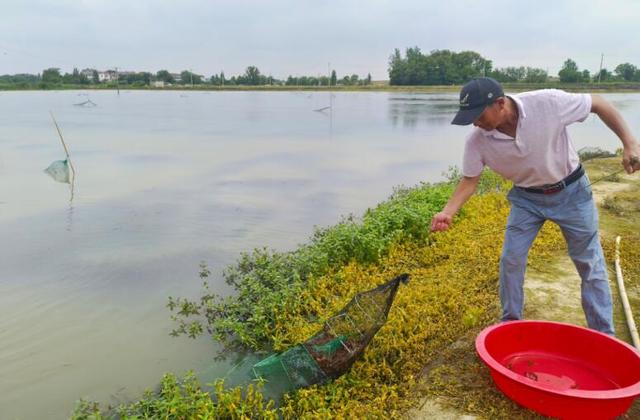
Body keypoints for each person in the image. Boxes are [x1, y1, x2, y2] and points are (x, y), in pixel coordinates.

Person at [430, 77, 640, 335]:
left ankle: (604, 334)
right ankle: (510, 323)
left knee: (589, 262)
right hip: (526, 199)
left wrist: (630, 143)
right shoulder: (477, 141)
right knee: (511, 259)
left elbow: (598, 103)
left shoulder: (547, 103)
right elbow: (469, 180)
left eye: (478, 115)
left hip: (572, 192)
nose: (475, 122)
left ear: (500, 103)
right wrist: (447, 212)